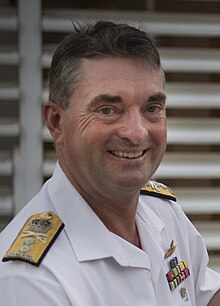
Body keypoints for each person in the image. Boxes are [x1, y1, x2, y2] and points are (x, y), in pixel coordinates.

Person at [0, 21, 219, 306]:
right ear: (56, 122)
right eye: (108, 110)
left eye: (152, 108)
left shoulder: (163, 211)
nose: (137, 132)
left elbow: (205, 294)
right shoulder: (30, 278)